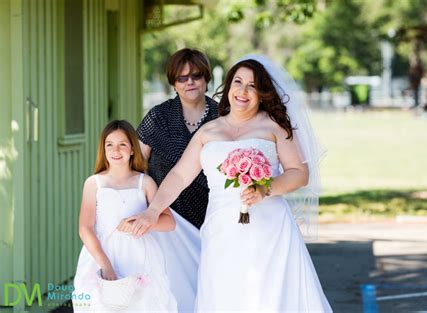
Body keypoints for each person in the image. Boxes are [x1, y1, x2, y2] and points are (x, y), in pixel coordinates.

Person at [129, 57, 332, 312]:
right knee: (225, 294)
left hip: (269, 230)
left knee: (267, 297)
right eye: (238, 82)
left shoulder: (274, 127)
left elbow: (299, 173)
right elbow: (180, 176)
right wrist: (153, 210)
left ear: (262, 93)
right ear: (228, 86)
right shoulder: (208, 131)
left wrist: (264, 188)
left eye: (252, 85)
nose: (243, 91)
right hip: (221, 229)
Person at [72, 120, 178, 311]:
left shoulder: (145, 182)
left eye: (122, 144)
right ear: (103, 149)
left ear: (131, 149)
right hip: (102, 254)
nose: (116, 150)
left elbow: (169, 222)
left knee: (141, 305)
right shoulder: (94, 183)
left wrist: (144, 222)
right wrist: (106, 265)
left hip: (139, 256)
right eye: (109, 145)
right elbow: (84, 228)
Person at [137, 48, 219, 229]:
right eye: (182, 78)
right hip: (163, 215)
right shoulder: (158, 116)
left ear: (206, 79)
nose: (189, 82)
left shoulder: (222, 117)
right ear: (174, 83)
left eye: (196, 76)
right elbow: (137, 162)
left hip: (210, 216)